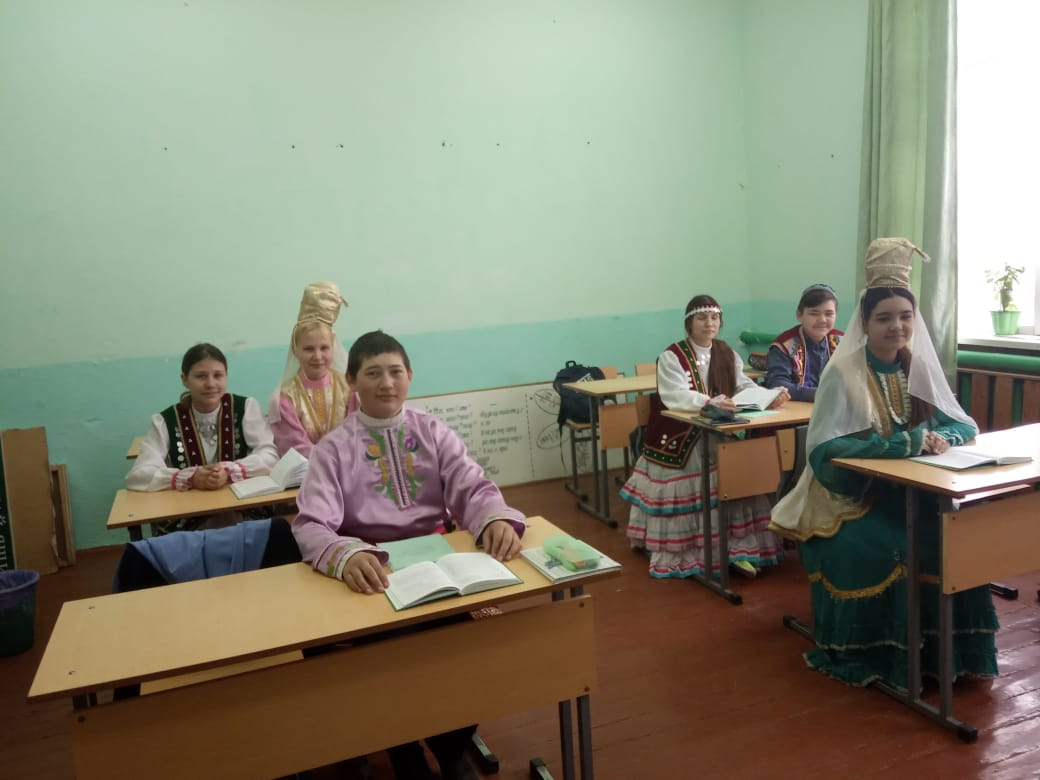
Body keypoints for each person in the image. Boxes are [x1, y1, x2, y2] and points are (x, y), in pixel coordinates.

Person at [292, 330, 525, 780]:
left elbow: (472, 485)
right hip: (374, 572)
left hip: (441, 564)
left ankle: (450, 745)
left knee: (474, 655)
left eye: (395, 372)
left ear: (410, 376)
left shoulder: (432, 430)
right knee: (388, 664)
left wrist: (494, 518)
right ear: (351, 381)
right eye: (373, 373)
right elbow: (311, 524)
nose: (386, 383)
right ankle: (404, 750)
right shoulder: (332, 449)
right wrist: (346, 555)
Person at [769, 237, 998, 690]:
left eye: (905, 316)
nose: (897, 326)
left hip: (911, 492)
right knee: (890, 548)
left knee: (954, 541)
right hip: (846, 498)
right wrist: (902, 444)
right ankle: (883, 655)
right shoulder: (843, 372)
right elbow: (825, 450)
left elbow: (963, 423)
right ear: (865, 322)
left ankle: (943, 654)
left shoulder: (918, 366)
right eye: (885, 318)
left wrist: (941, 437)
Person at [620, 295, 789, 580]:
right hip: (683, 434)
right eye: (702, 318)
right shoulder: (672, 356)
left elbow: (742, 385)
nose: (709, 323)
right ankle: (695, 552)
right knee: (708, 481)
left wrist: (768, 396)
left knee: (736, 476)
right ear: (689, 323)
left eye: (714, 318)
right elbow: (674, 395)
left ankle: (736, 549)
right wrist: (710, 402)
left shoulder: (726, 352)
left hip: (719, 430)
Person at [126, 343, 279, 534]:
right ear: (184, 379)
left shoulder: (246, 408)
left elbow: (270, 455)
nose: (211, 384)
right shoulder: (165, 420)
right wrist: (191, 477)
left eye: (218, 375)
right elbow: (138, 475)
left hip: (243, 512)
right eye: (201, 376)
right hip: (189, 520)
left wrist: (230, 470)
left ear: (226, 376)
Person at [270, 281, 355, 458]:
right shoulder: (285, 398)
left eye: (324, 348)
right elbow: (293, 446)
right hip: (306, 471)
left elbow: (358, 433)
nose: (317, 356)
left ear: (333, 348)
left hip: (350, 465)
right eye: (309, 349)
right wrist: (328, 460)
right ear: (296, 350)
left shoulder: (350, 389)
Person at [765, 283, 843, 401]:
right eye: (814, 313)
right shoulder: (785, 345)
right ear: (799, 315)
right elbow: (777, 384)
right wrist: (818, 394)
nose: (822, 320)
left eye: (829, 314)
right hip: (795, 410)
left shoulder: (843, 342)